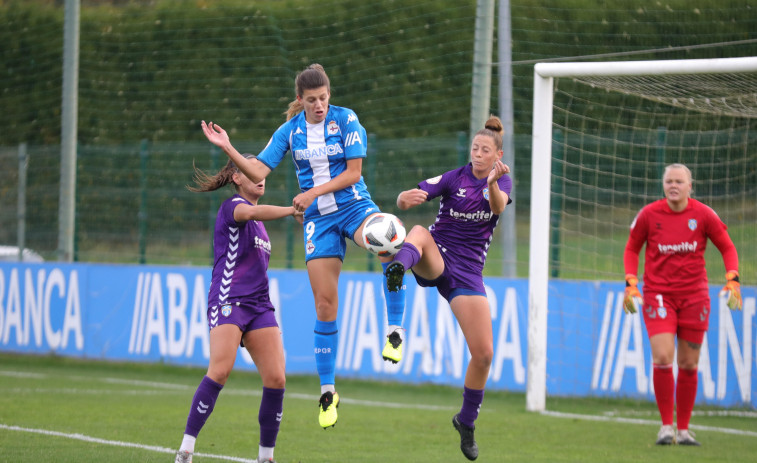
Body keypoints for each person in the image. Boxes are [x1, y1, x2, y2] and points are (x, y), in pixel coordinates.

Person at [200, 63, 407, 429]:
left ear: (330, 95)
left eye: (324, 98)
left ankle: (395, 330)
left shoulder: (345, 120)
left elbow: (354, 173)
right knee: (325, 305)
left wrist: (312, 192)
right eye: (312, 100)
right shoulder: (290, 131)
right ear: (300, 100)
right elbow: (259, 171)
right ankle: (328, 392)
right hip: (319, 221)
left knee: (387, 242)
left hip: (354, 206)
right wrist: (228, 145)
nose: (319, 105)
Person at [384, 115, 512, 461]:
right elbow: (417, 193)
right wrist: (403, 198)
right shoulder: (454, 177)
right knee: (420, 231)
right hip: (437, 257)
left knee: (484, 354)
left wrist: (495, 184)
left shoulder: (502, 181)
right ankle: (397, 268)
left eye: (486, 150)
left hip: (469, 274)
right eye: (475, 148)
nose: (478, 154)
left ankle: (466, 421)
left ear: (497, 154)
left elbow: (498, 208)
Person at [174, 155, 302, 463]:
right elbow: (254, 211)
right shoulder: (233, 207)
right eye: (250, 171)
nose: (259, 176)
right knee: (220, 370)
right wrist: (292, 209)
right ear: (236, 178)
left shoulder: (259, 225)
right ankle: (186, 449)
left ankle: (266, 457)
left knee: (277, 378)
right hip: (229, 299)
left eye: (262, 171)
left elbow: (258, 216)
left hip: (259, 305)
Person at [623, 163, 742, 447]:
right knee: (664, 357)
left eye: (679, 181)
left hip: (695, 296)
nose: (673, 185)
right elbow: (631, 247)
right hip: (659, 295)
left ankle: (685, 430)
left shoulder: (703, 214)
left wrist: (733, 277)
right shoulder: (649, 215)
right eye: (668, 181)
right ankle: (666, 428)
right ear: (663, 185)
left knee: (689, 363)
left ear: (691, 186)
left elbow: (727, 246)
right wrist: (630, 282)